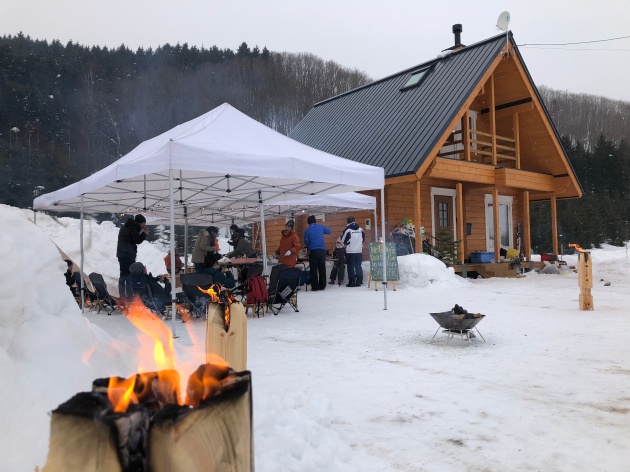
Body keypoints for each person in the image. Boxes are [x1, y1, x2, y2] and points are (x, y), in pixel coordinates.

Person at [116, 214, 149, 292]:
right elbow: (137, 240)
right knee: (129, 273)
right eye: (144, 223)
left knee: (123, 272)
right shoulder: (133, 228)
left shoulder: (124, 227)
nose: (144, 225)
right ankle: (129, 292)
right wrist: (144, 233)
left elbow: (130, 239)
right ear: (140, 222)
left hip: (121, 254)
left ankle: (122, 291)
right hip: (128, 254)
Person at [304, 215, 331, 291]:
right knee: (322, 268)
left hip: (313, 251)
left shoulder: (307, 230)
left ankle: (315, 286)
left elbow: (306, 242)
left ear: (308, 222)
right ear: (315, 221)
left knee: (313, 269)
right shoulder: (321, 227)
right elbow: (329, 231)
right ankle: (322, 285)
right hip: (322, 250)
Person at [342, 216, 365, 287]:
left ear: (347, 222)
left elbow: (343, 240)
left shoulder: (348, 230)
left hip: (350, 250)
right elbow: (363, 239)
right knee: (358, 265)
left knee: (351, 266)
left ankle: (352, 282)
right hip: (359, 250)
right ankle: (359, 281)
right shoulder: (361, 229)